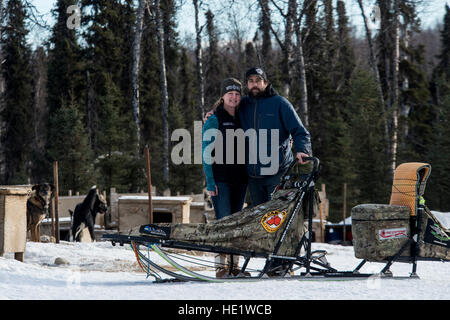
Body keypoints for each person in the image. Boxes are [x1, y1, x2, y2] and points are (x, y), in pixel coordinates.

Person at [204, 68, 312, 208]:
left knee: (277, 217)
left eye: (258, 81)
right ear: (247, 84)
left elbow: (299, 130)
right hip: (253, 176)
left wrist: (302, 149)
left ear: (265, 83)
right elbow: (226, 110)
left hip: (277, 173)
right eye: (251, 81)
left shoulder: (280, 103)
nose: (254, 84)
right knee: (260, 221)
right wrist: (212, 115)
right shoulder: (242, 104)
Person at [202, 77, 248, 278]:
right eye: (230, 93)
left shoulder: (243, 117)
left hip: (240, 179)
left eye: (237, 94)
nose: (234, 97)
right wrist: (210, 181)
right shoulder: (215, 118)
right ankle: (220, 267)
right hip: (220, 179)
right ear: (223, 96)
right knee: (223, 222)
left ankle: (234, 266)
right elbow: (205, 152)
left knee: (237, 223)